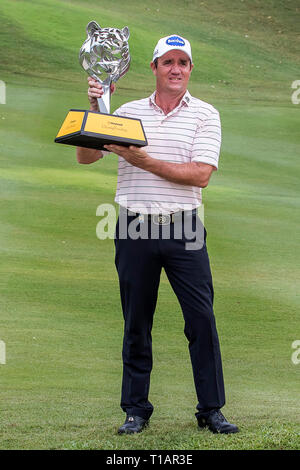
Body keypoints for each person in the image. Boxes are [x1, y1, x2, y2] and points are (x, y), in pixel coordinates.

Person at [76, 34, 239, 435]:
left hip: (184, 226)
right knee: (136, 321)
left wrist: (143, 160)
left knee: (201, 320)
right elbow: (86, 155)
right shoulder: (127, 112)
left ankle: (211, 410)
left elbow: (200, 174)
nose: (175, 69)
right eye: (168, 62)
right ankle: (135, 410)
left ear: (190, 69)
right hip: (134, 226)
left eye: (182, 62)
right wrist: (97, 106)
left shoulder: (205, 114)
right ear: (153, 68)